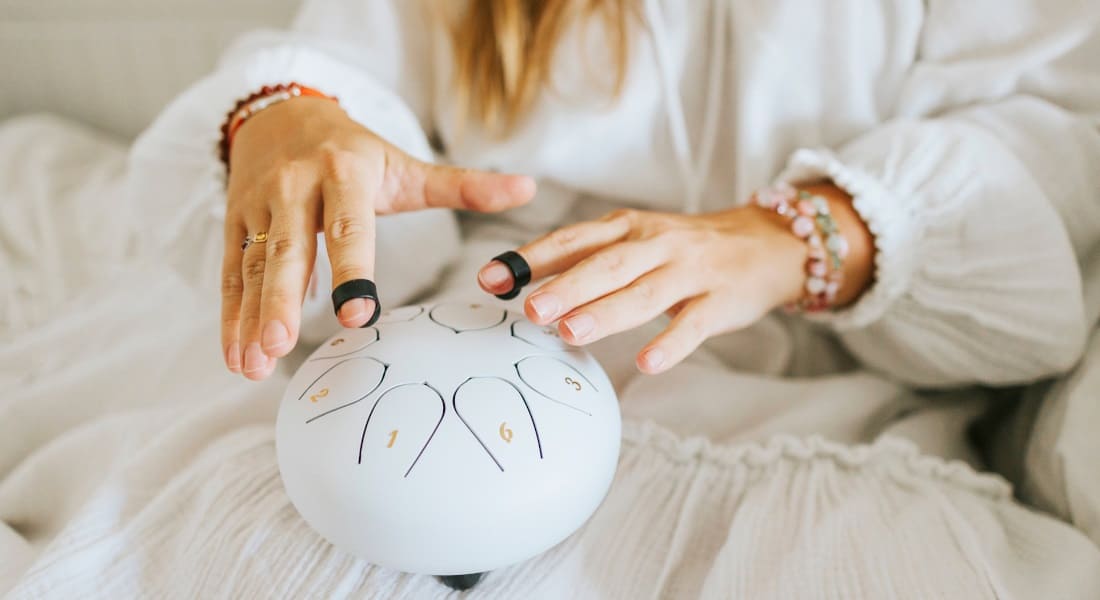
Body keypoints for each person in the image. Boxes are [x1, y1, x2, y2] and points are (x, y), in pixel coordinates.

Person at [13, 0, 1095, 596]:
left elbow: (1053, 130)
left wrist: (804, 238)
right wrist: (289, 118)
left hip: (773, 369)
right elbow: (344, 81)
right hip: (444, 335)